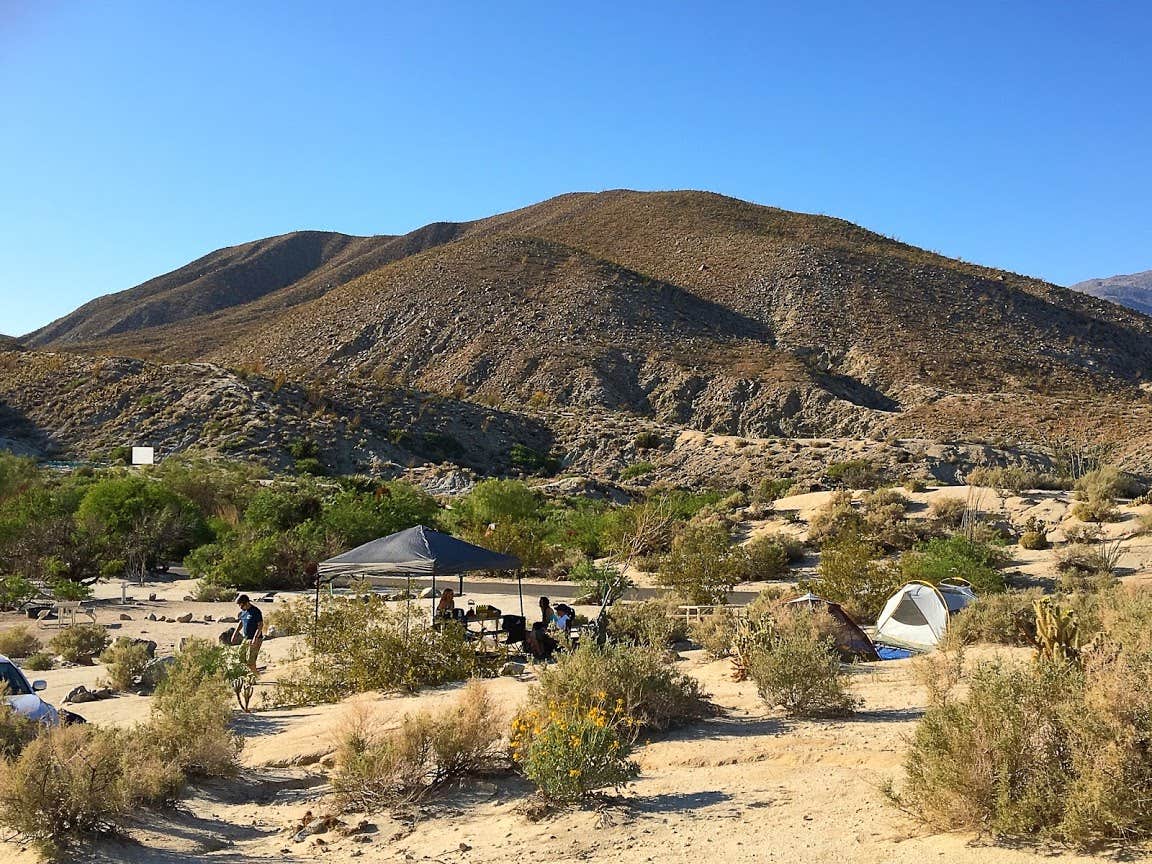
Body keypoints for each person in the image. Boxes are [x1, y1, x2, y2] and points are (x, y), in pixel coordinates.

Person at [230, 594, 264, 674]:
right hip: (246, 638)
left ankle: (257, 677)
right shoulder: (243, 612)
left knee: (251, 661)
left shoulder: (256, 611)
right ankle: (251, 673)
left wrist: (255, 638)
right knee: (241, 656)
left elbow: (260, 625)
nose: (240, 607)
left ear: (247, 603)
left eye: (241, 605)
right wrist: (235, 634)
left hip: (255, 639)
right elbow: (241, 622)